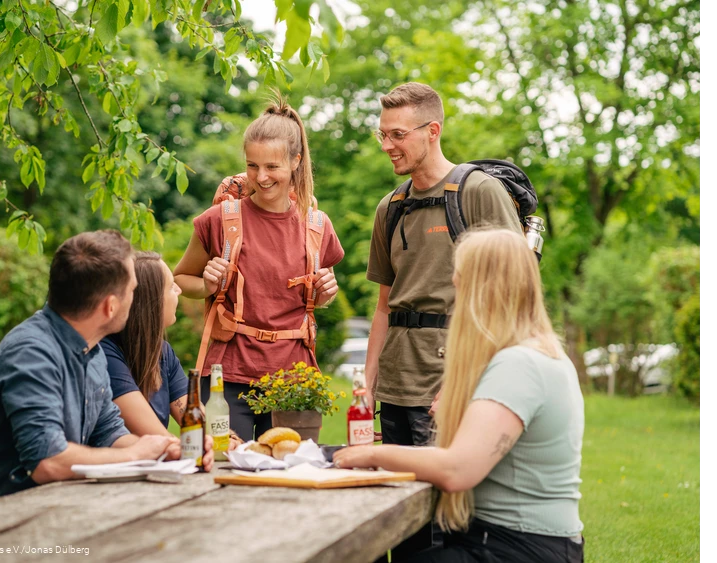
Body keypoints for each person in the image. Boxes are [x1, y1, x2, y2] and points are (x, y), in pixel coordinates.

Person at [335, 228, 585, 563]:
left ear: (483, 291)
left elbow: (457, 470)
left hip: (516, 547)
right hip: (513, 542)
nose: (454, 297)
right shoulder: (534, 353)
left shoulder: (520, 364)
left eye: (460, 284)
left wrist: (366, 455)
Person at [364, 82, 523, 556]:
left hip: (450, 384)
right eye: (382, 134)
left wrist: (466, 381)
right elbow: (384, 305)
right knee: (398, 522)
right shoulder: (390, 207)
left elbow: (511, 296)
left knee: (447, 526)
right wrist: (367, 382)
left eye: (397, 135)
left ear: (432, 131)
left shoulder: (479, 192)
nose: (387, 145)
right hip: (396, 385)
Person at [0, 230, 185, 510]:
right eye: (132, 290)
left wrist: (164, 451)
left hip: (47, 509)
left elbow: (109, 433)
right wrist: (135, 455)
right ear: (110, 306)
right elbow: (48, 461)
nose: (137, 300)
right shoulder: (31, 353)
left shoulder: (92, 351)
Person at [174, 93, 345, 442]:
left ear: (296, 161)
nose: (261, 177)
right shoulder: (220, 220)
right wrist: (206, 285)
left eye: (272, 167)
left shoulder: (317, 226)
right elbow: (180, 278)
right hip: (227, 374)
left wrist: (326, 293)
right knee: (223, 465)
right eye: (252, 166)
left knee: (290, 469)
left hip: (293, 378)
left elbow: (316, 297)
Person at [100, 251, 242, 449]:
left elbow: (195, 419)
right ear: (149, 300)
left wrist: (228, 439)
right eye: (170, 286)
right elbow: (155, 435)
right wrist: (211, 443)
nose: (179, 290)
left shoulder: (162, 352)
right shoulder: (106, 353)